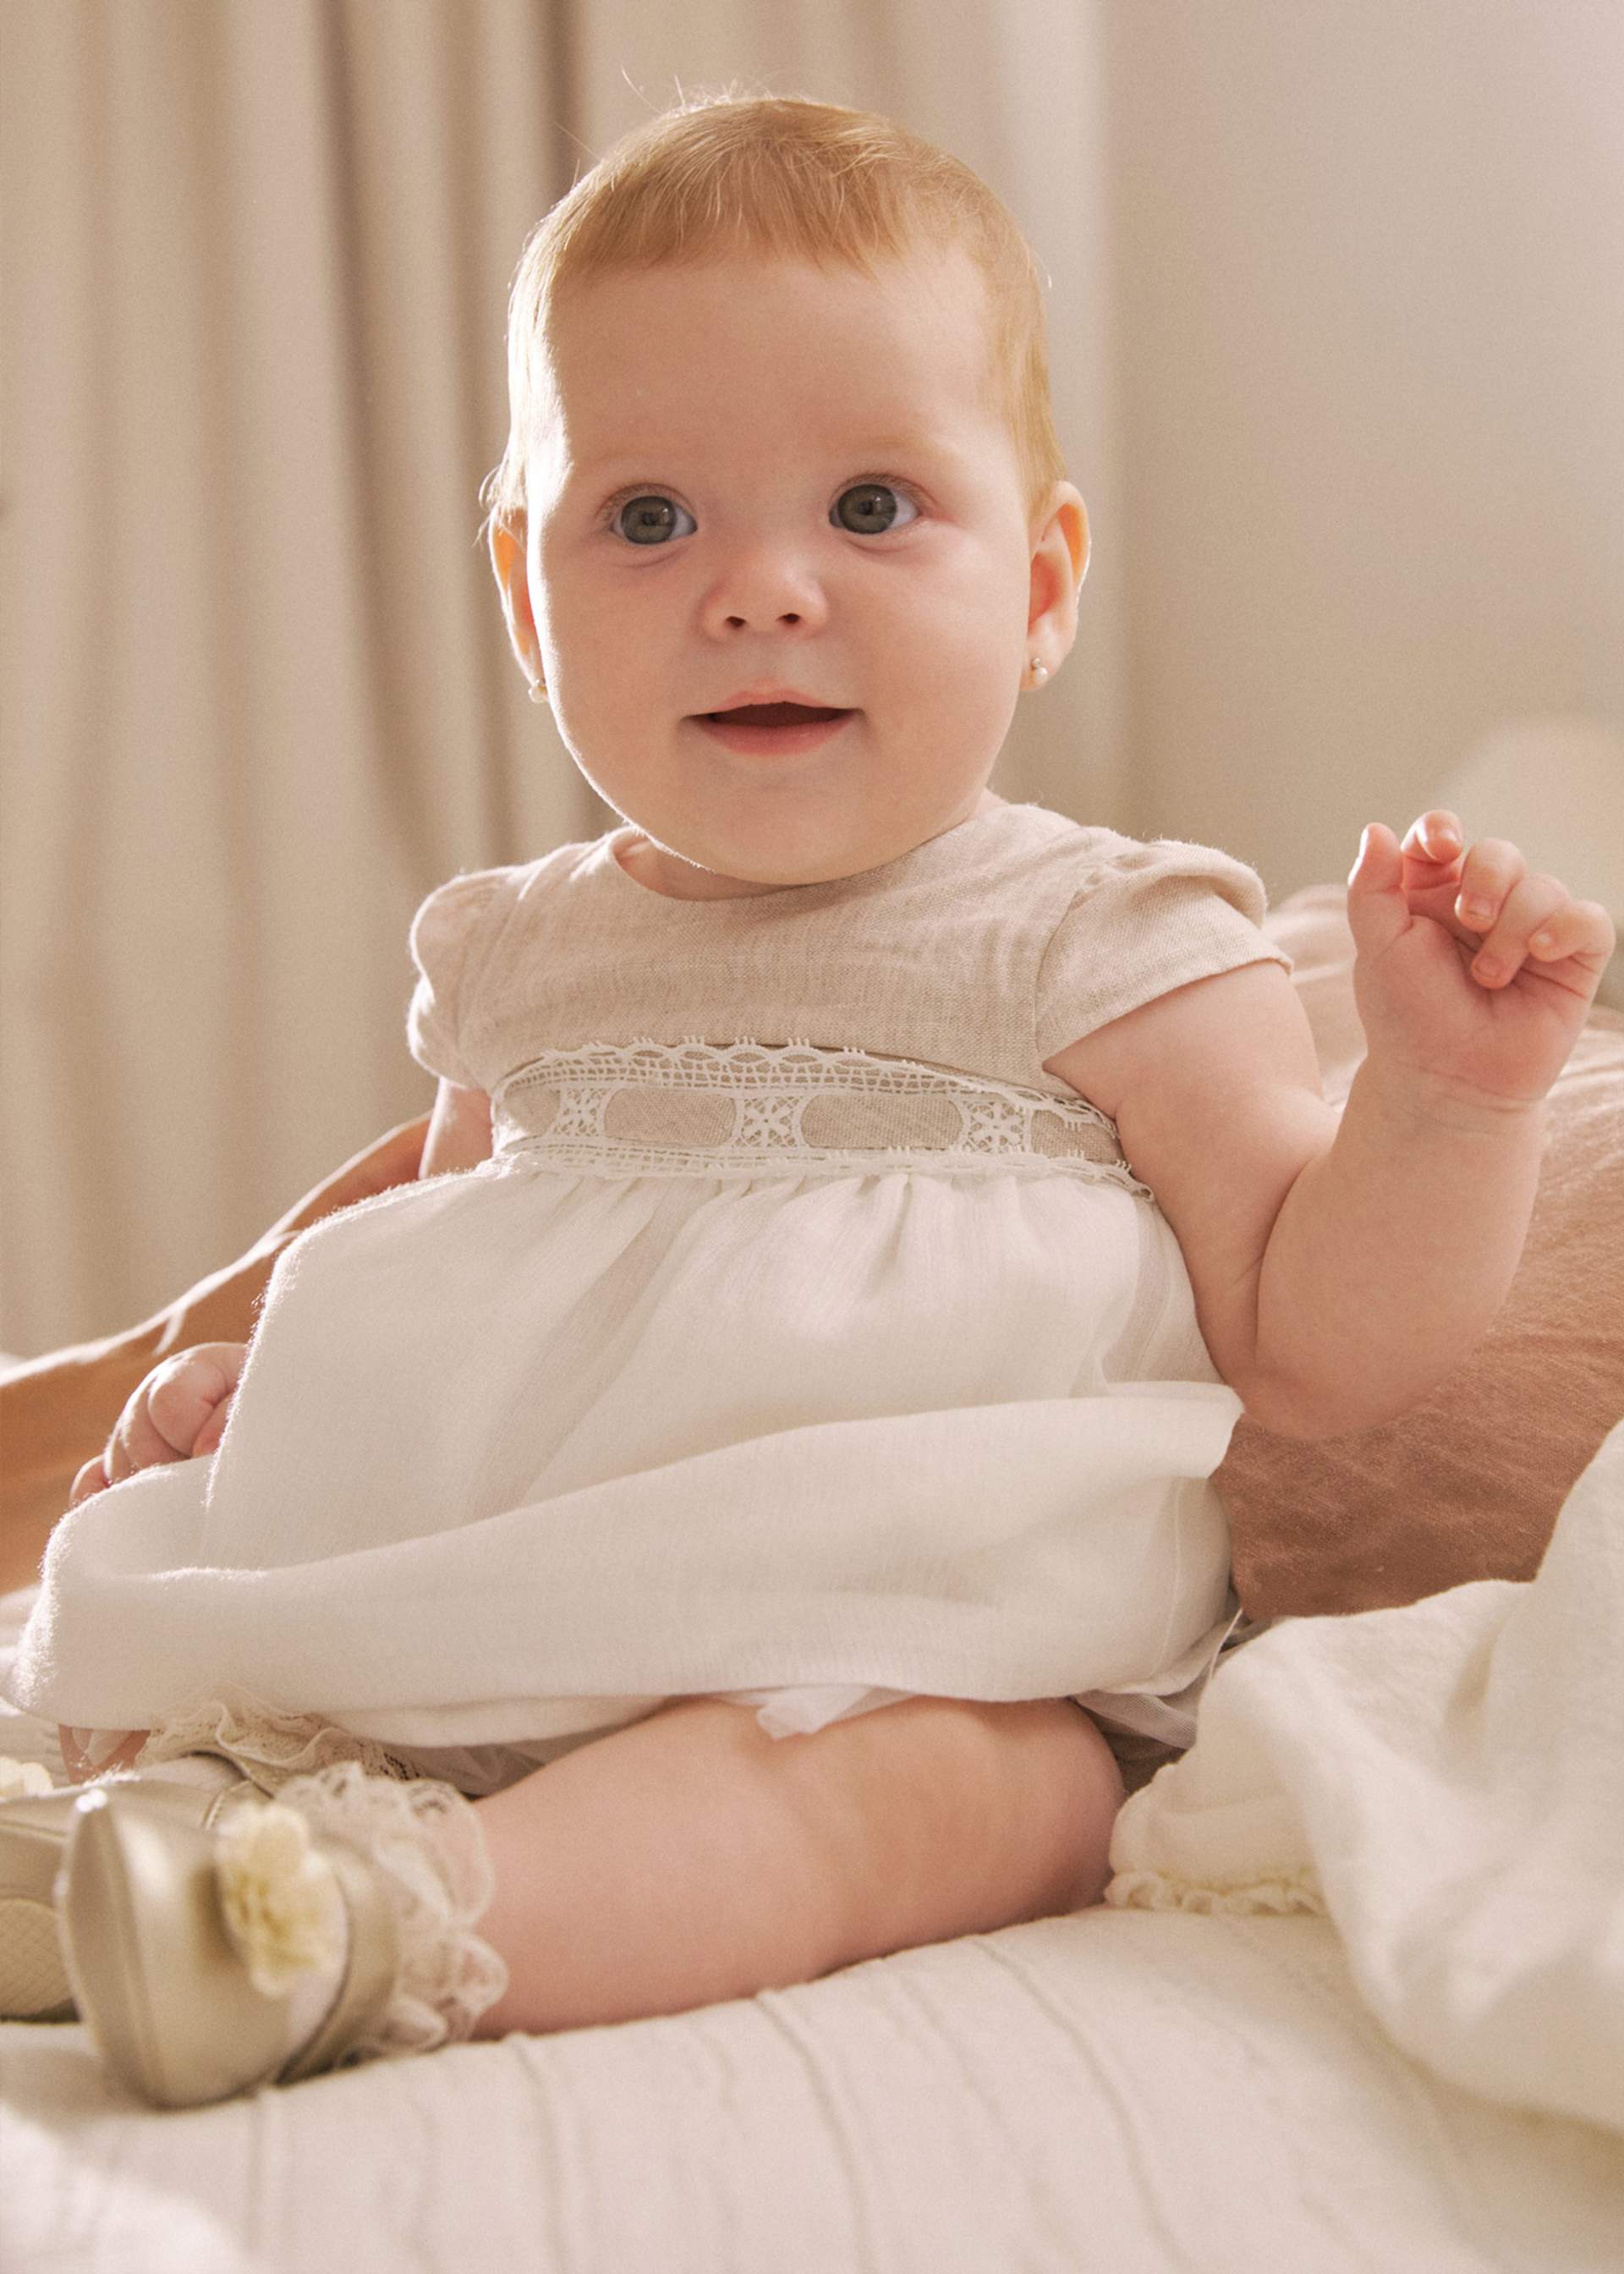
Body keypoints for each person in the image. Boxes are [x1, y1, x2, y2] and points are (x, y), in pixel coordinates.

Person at [0, 93, 1613, 2108]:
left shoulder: (1111, 937)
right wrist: (259, 1392)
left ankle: (364, 1918)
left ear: (1038, 584)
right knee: (249, 1649)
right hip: (485, 1603)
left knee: (986, 1791)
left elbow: (1322, 1346)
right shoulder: (516, 951)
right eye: (651, 519)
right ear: (526, 600)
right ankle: (163, 1832)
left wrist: (1455, 1105)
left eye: (869, 508)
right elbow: (440, 1268)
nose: (759, 587)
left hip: (910, 1643)